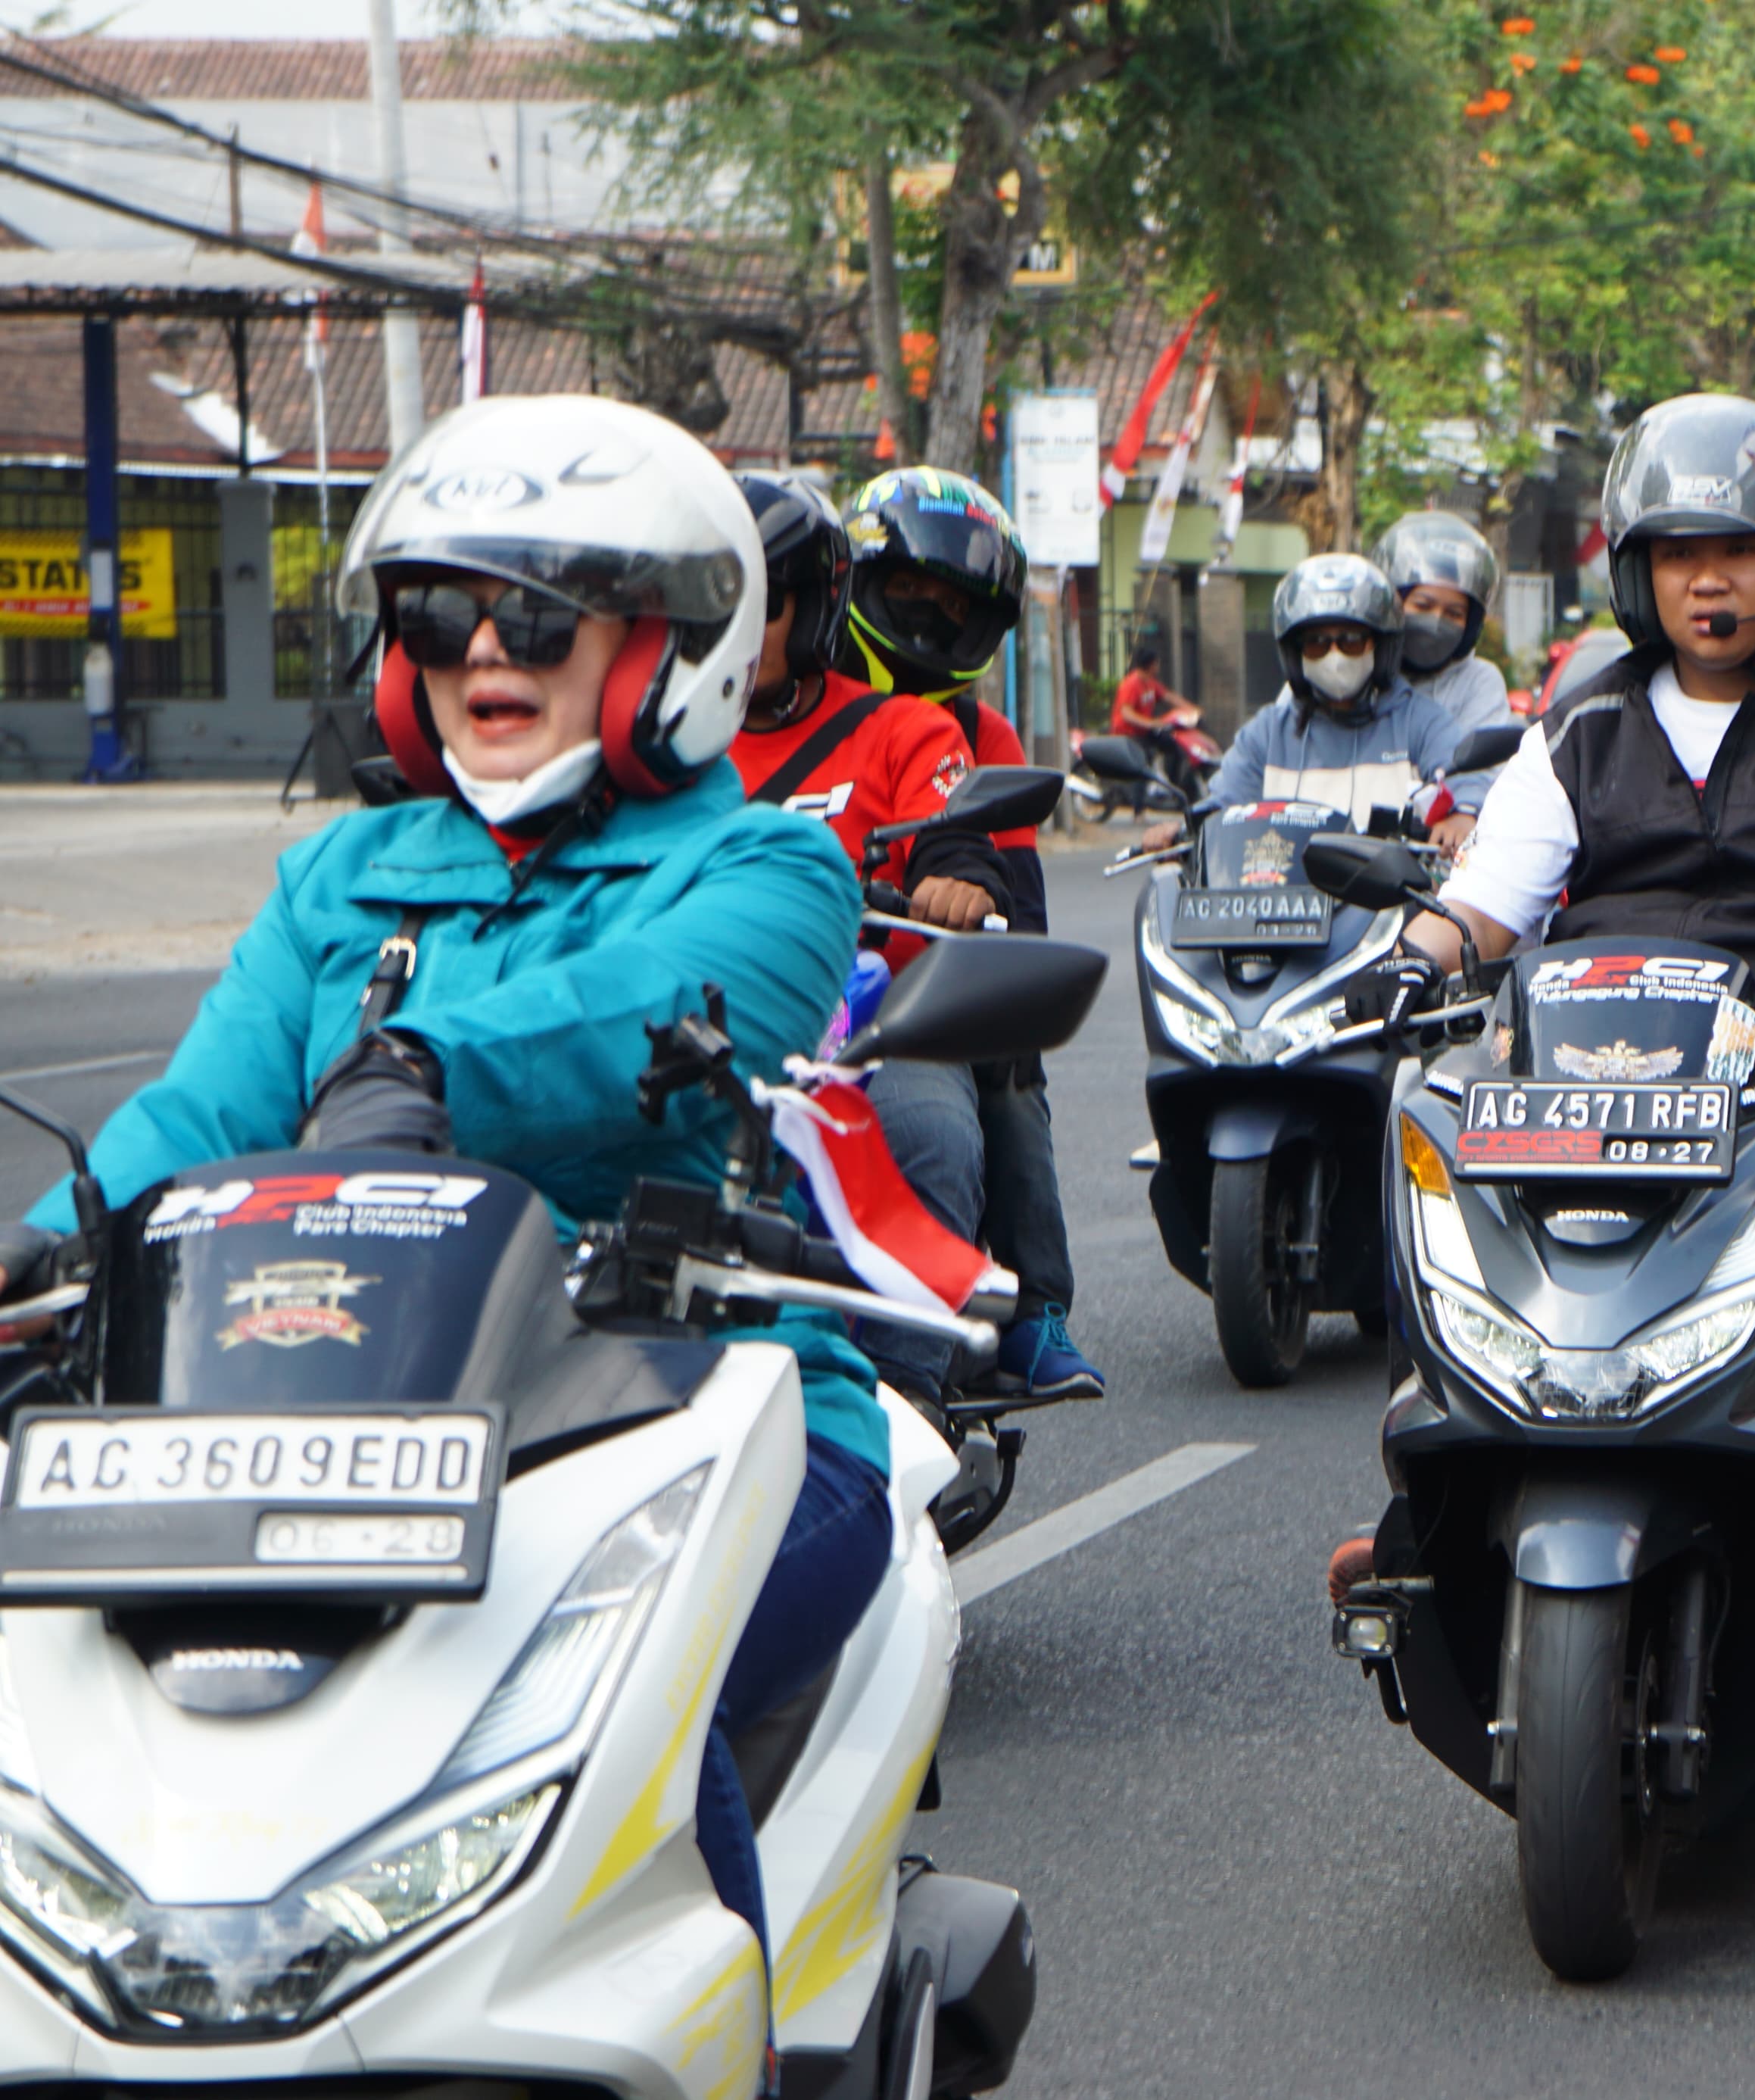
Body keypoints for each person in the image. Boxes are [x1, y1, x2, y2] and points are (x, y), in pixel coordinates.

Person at [0, 395, 874, 1978]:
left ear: (667, 645)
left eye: (535, 616)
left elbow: (649, 1017)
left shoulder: (768, 867)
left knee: (630, 1756)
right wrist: (43, 1254)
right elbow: (204, 1106)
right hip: (324, 1421)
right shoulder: (340, 876)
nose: (486, 653)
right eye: (442, 612)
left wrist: (426, 1073)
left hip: (688, 1426)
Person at [1343, 392, 1755, 1647]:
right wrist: (1410, 961)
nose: (1710, 585)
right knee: (1414, 1125)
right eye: (1679, 555)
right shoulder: (1580, 726)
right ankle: (1424, 1501)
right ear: (1637, 571)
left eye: (1739, 553)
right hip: (1595, 1058)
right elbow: (1487, 900)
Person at [840, 466, 1101, 1404]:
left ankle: (1031, 1310)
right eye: (909, 590)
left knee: (1006, 1070)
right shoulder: (762, 712)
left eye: (955, 605)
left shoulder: (980, 738)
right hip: (766, 998)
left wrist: (955, 889)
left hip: (913, 1005)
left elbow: (1012, 897)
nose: (928, 617)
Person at [728, 474, 1008, 938]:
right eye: (720, 603)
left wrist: (960, 885)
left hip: (869, 1002)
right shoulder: (653, 743)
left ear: (814, 611)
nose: (738, 626)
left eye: (766, 603)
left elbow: (954, 843)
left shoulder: (912, 733)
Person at [1143, 553, 1471, 850]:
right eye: (1316, 643)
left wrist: (1463, 814)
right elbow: (1224, 805)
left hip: (1391, 911)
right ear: (1295, 654)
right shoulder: (1268, 733)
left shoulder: (1420, 721)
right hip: (1284, 907)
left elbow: (1465, 776)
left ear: (1381, 647)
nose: (1334, 656)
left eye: (1352, 641)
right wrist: (1182, 830)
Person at [1375, 510, 1517, 817]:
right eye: (1423, 605)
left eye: (1454, 613)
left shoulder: (1480, 681)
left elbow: (1482, 776)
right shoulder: (1360, 668)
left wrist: (1463, 811)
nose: (1437, 621)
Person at [1109, 644, 1199, 785]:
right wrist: (1150, 723)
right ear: (1151, 664)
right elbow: (1126, 713)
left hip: (1145, 731)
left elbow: (1168, 696)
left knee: (1175, 747)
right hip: (1129, 734)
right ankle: (1139, 802)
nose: (1158, 666)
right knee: (1143, 762)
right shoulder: (1131, 684)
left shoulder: (1150, 682)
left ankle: (1173, 785)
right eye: (1157, 662)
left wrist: (1191, 709)